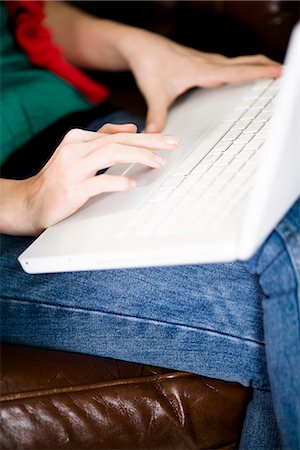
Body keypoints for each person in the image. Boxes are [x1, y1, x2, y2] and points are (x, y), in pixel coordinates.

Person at [0, 1, 299, 449]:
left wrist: (140, 47)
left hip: (92, 141)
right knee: (283, 301)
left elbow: (22, 17)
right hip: (16, 215)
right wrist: (25, 200)